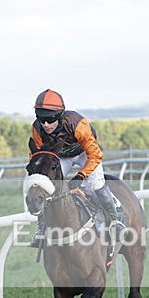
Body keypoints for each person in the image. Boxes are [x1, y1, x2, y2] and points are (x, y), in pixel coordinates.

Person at [28, 88, 126, 249]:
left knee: (94, 184)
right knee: (47, 186)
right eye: (41, 119)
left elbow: (96, 155)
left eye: (50, 119)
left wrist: (80, 176)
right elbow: (37, 157)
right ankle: (42, 228)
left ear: (59, 116)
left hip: (85, 154)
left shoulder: (78, 124)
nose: (45, 124)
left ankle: (116, 219)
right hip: (61, 156)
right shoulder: (37, 129)